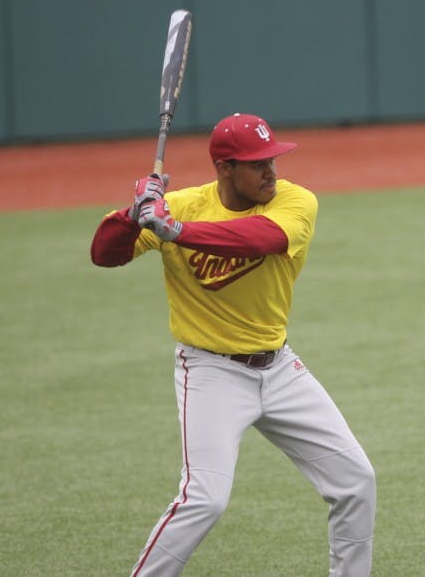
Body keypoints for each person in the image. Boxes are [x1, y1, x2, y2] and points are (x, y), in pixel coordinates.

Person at [90, 112, 376, 577]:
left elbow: (262, 239)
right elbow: (104, 254)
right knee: (205, 498)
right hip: (210, 373)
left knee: (356, 482)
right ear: (224, 168)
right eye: (257, 164)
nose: (271, 172)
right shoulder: (180, 206)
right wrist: (132, 213)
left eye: (273, 160)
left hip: (280, 369)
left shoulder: (295, 202)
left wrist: (175, 231)